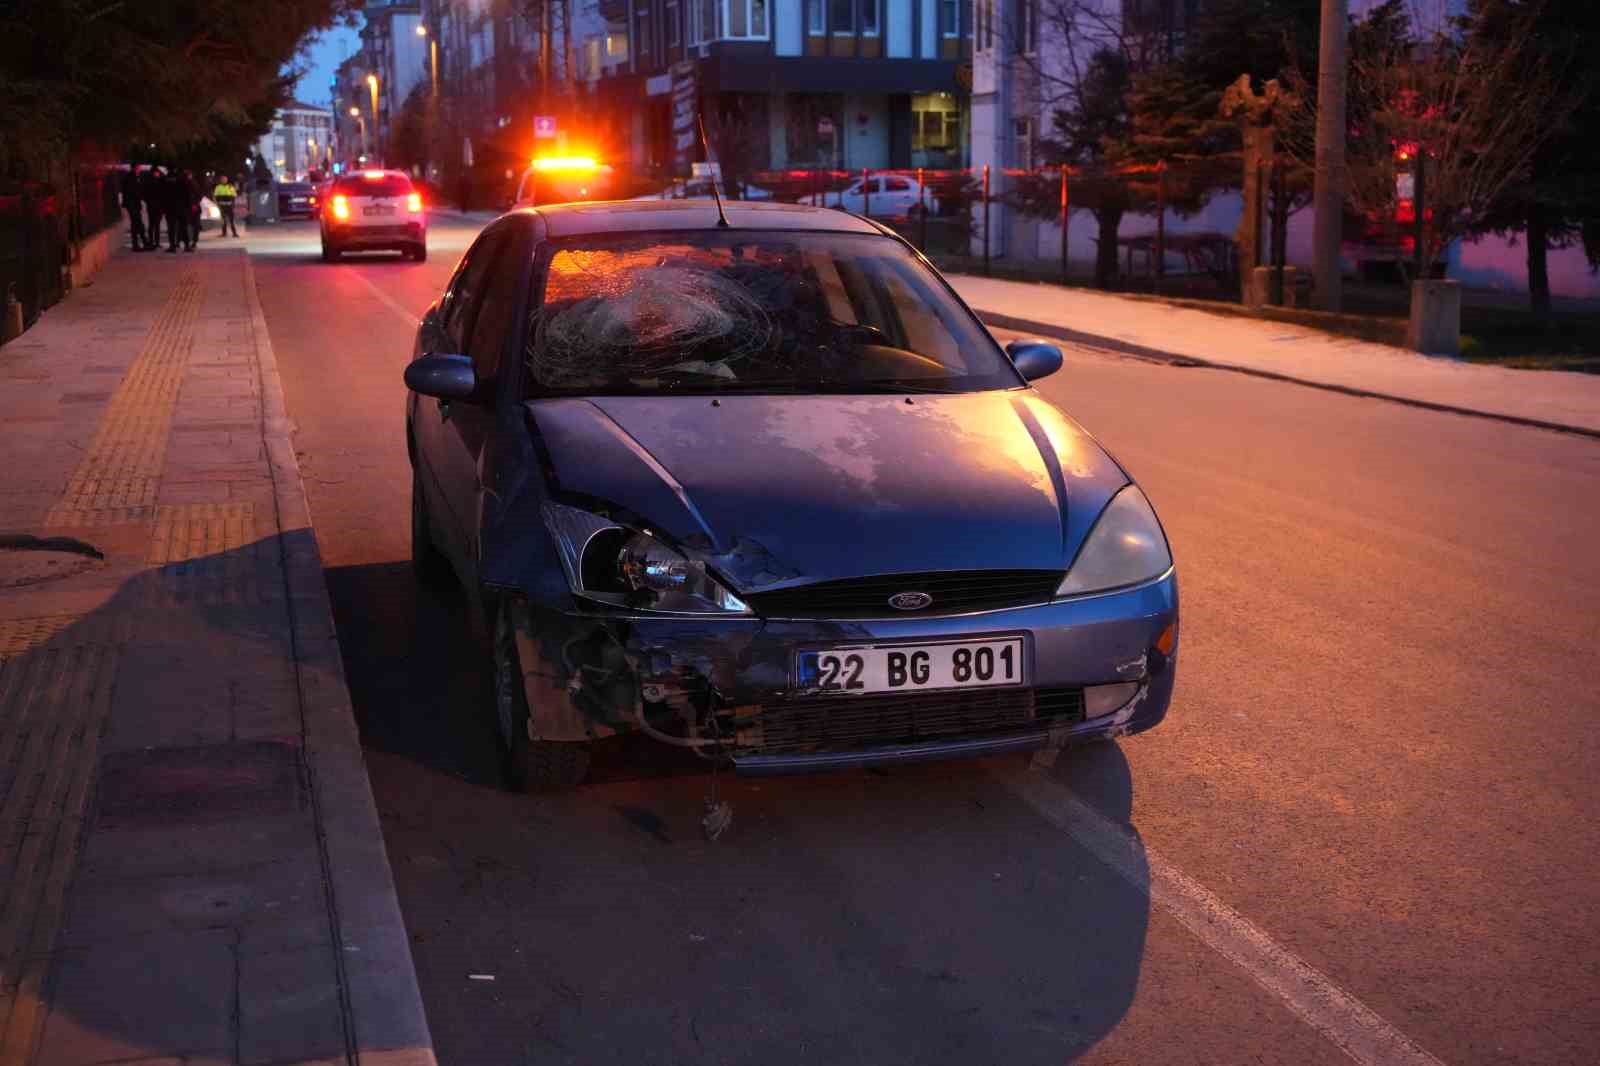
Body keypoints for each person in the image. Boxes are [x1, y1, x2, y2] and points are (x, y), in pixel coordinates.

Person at [120, 167, 147, 251]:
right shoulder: (131, 178)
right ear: (135, 168)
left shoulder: (132, 177)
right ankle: (141, 244)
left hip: (133, 204)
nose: (140, 170)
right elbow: (133, 192)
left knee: (136, 224)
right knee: (137, 223)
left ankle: (141, 243)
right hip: (132, 204)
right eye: (139, 169)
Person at [163, 167, 189, 253]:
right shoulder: (182, 178)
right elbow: (186, 192)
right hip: (181, 206)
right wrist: (187, 205)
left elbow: (162, 192)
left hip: (170, 206)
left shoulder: (166, 178)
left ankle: (172, 246)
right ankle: (187, 246)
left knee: (171, 227)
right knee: (183, 226)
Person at [140, 167, 163, 250]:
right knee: (154, 225)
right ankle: (154, 242)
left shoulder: (152, 182)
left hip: (155, 206)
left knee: (154, 225)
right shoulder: (154, 182)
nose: (157, 174)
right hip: (155, 206)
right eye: (156, 173)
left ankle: (154, 242)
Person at [184, 170, 201, 250]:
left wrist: (194, 204)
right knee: (193, 225)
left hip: (193, 207)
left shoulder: (192, 183)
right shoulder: (193, 183)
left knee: (193, 225)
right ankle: (193, 241)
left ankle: (193, 241)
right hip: (191, 207)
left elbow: (197, 195)